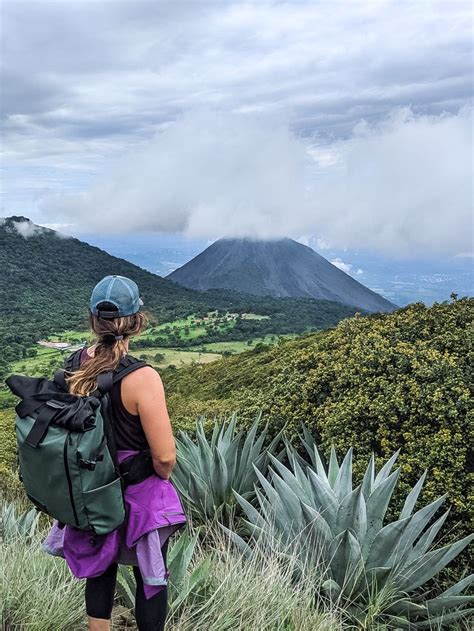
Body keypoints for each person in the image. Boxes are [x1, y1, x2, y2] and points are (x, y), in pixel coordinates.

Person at [43, 275, 187, 631]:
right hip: (137, 489)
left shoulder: (72, 366)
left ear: (93, 321)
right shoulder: (143, 378)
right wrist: (159, 479)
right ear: (137, 321)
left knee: (99, 566)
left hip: (89, 489)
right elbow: (165, 457)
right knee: (150, 577)